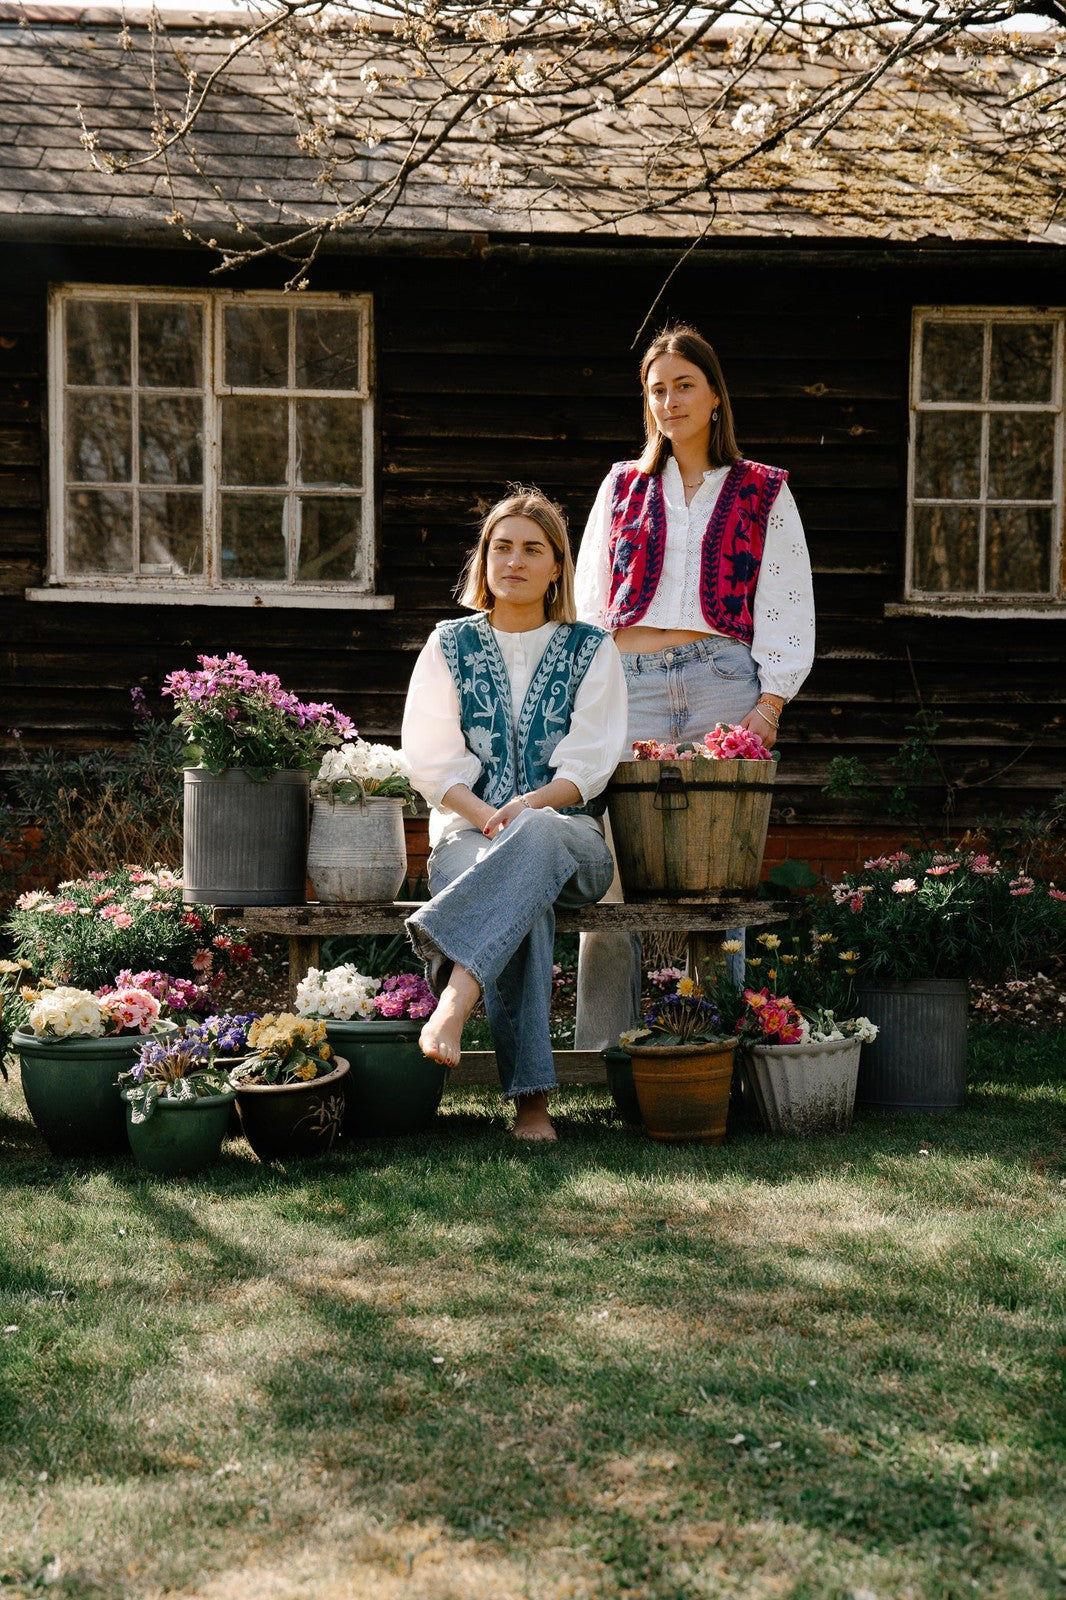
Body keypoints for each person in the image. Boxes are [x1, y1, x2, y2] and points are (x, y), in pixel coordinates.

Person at [573, 324, 816, 1050]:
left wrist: (770, 703)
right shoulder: (622, 485)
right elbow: (590, 600)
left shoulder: (763, 489)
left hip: (721, 683)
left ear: (715, 396)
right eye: (657, 390)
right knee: (609, 868)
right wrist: (589, 693)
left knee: (719, 873)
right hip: (631, 684)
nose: (670, 401)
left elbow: (787, 598)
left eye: (684, 385)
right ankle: (602, 1051)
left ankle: (718, 1050)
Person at [401, 488, 629, 1141]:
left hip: (572, 841)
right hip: (466, 839)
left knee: (537, 840)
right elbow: (430, 760)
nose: (515, 561)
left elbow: (591, 765)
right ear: (484, 560)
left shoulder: (592, 648)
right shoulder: (448, 645)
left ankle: (455, 995)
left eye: (532, 549)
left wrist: (527, 808)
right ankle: (532, 1104)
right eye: (501, 547)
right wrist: (485, 815)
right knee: (522, 896)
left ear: (557, 567)